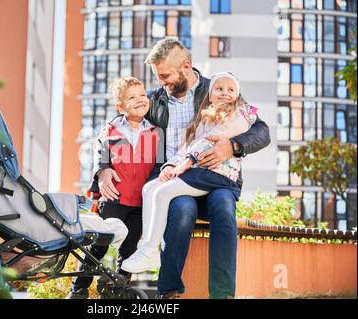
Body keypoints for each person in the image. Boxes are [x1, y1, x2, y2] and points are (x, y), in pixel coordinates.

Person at [95, 38, 270, 299]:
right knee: (182, 208)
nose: (161, 82)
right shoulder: (154, 101)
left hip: (216, 179)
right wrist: (104, 166)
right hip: (177, 180)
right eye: (158, 76)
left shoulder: (219, 88)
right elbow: (117, 125)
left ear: (186, 67)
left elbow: (260, 130)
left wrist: (232, 146)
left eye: (165, 75)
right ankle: (170, 291)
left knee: (223, 207)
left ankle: (222, 294)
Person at [121, 72, 258, 273]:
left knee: (163, 192)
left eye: (231, 90)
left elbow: (211, 139)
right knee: (150, 188)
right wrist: (170, 165)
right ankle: (146, 248)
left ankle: (151, 250)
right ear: (210, 95)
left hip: (218, 175)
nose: (225, 93)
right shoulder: (206, 117)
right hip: (199, 172)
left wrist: (187, 162)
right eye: (219, 89)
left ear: (237, 95)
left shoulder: (241, 114)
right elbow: (188, 144)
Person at [67, 77, 163, 299]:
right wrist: (101, 170)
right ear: (121, 107)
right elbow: (101, 158)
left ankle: (116, 288)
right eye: (132, 97)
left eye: (142, 95)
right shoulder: (110, 131)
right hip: (113, 199)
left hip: (140, 204)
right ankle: (78, 288)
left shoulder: (156, 133)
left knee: (129, 251)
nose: (140, 100)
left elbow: (158, 167)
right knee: (98, 247)